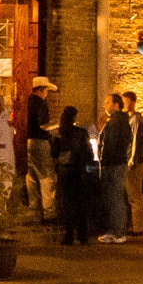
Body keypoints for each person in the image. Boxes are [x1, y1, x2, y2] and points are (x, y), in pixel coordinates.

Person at [55, 104, 97, 245]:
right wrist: (91, 170)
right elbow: (88, 153)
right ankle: (82, 235)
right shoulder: (81, 132)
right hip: (79, 172)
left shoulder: (59, 133)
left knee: (67, 204)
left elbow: (53, 153)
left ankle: (68, 235)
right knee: (80, 204)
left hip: (65, 172)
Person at [98, 93, 137, 244]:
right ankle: (114, 231)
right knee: (113, 197)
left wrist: (104, 159)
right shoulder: (119, 121)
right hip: (116, 163)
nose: (105, 105)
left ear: (116, 105)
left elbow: (110, 144)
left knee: (115, 197)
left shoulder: (116, 122)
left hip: (114, 164)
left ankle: (119, 232)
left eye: (107, 103)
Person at [25, 75, 58, 222]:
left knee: (31, 176)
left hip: (29, 141)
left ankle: (34, 210)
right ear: (41, 90)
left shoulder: (27, 102)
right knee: (46, 177)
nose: (47, 94)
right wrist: (56, 126)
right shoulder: (41, 104)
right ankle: (49, 212)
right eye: (46, 90)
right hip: (40, 141)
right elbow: (43, 126)